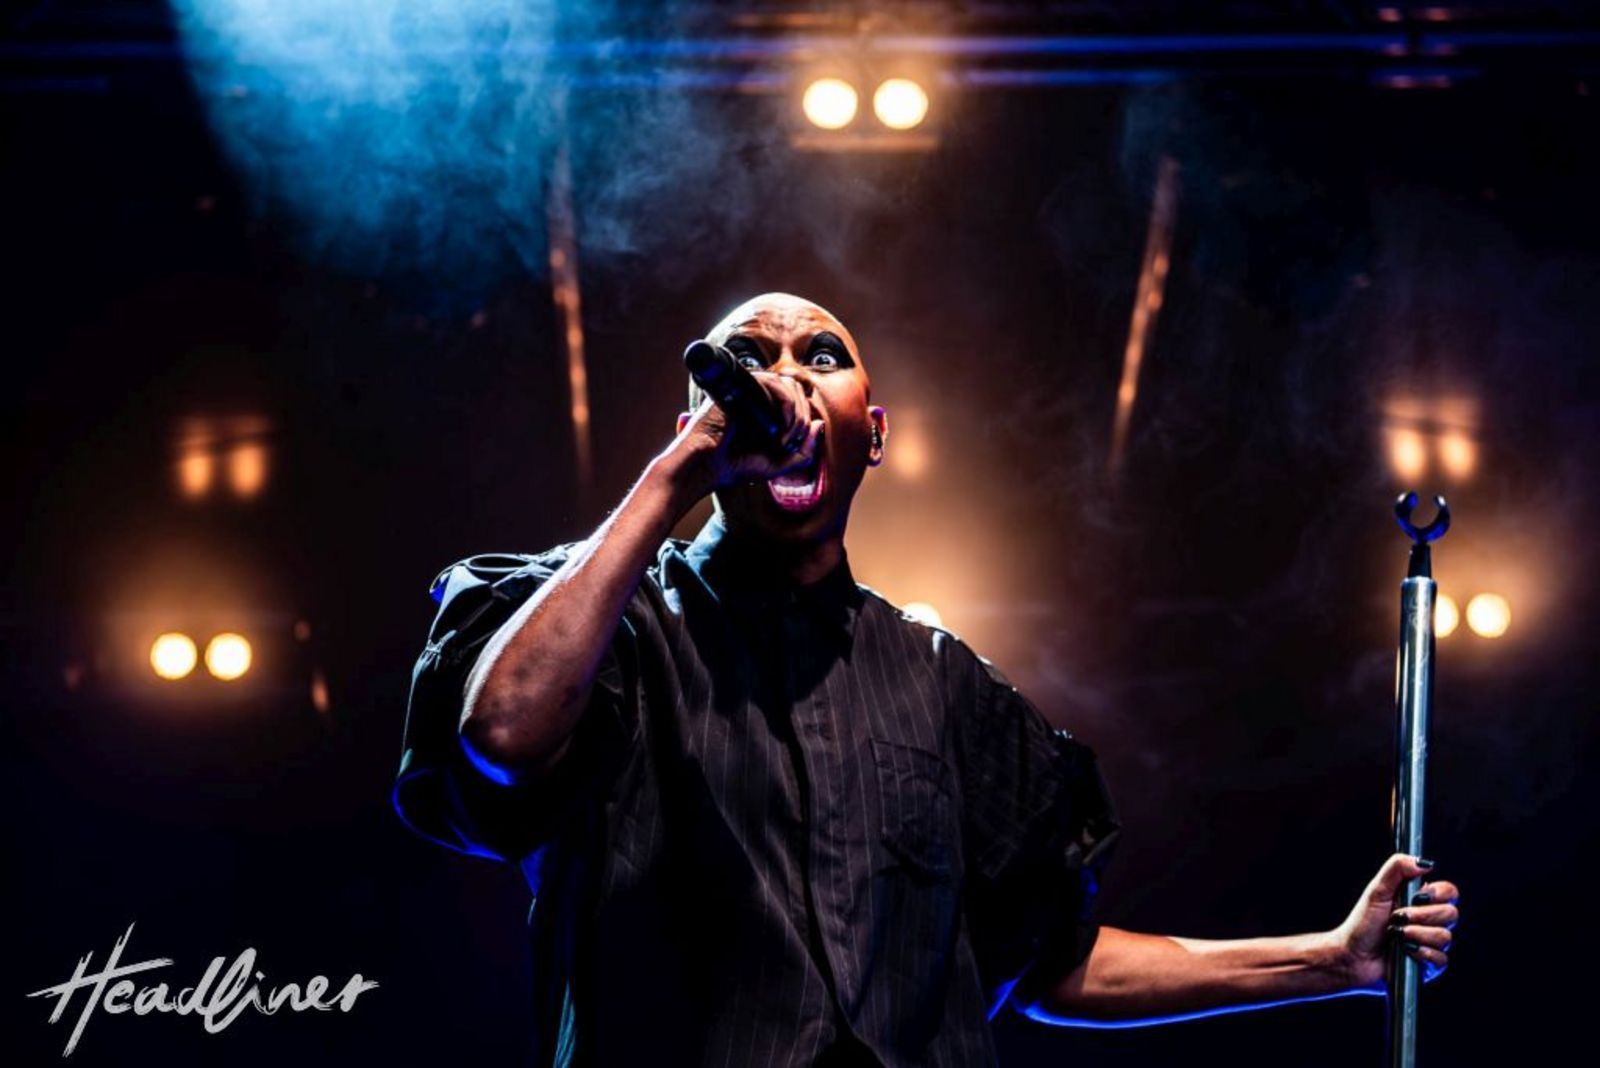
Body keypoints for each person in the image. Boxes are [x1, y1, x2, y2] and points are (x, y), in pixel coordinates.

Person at [394, 293, 1460, 1066]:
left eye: (821, 356)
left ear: (874, 434)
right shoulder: (605, 624)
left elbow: (1053, 965)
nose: (785, 380)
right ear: (695, 425)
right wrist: (681, 474)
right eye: (748, 361)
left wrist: (1331, 960)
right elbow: (503, 738)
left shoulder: (947, 686)